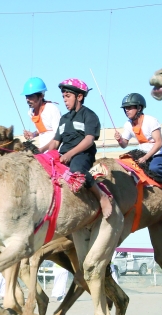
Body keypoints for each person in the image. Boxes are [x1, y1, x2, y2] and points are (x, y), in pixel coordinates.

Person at [47, 79, 113, 218]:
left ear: (80, 97)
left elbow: (89, 140)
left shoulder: (89, 115)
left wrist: (70, 154)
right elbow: (55, 142)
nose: (65, 100)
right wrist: (40, 153)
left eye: (68, 96)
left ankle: (102, 197)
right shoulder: (64, 118)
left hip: (82, 154)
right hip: (64, 154)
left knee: (77, 170)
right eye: (63, 97)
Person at [113, 92, 162, 188]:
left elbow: (159, 143)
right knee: (124, 163)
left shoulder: (151, 121)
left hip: (160, 155)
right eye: (125, 108)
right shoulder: (128, 124)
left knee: (155, 168)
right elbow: (124, 144)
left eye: (130, 108)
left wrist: (145, 158)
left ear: (139, 108)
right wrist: (119, 140)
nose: (127, 110)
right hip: (144, 156)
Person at [21, 77, 61, 152]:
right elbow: (44, 130)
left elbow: (58, 136)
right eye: (26, 96)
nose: (27, 99)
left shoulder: (52, 109)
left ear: (41, 96)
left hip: (56, 152)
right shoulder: (31, 112)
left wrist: (42, 149)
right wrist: (33, 134)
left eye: (31, 96)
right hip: (43, 152)